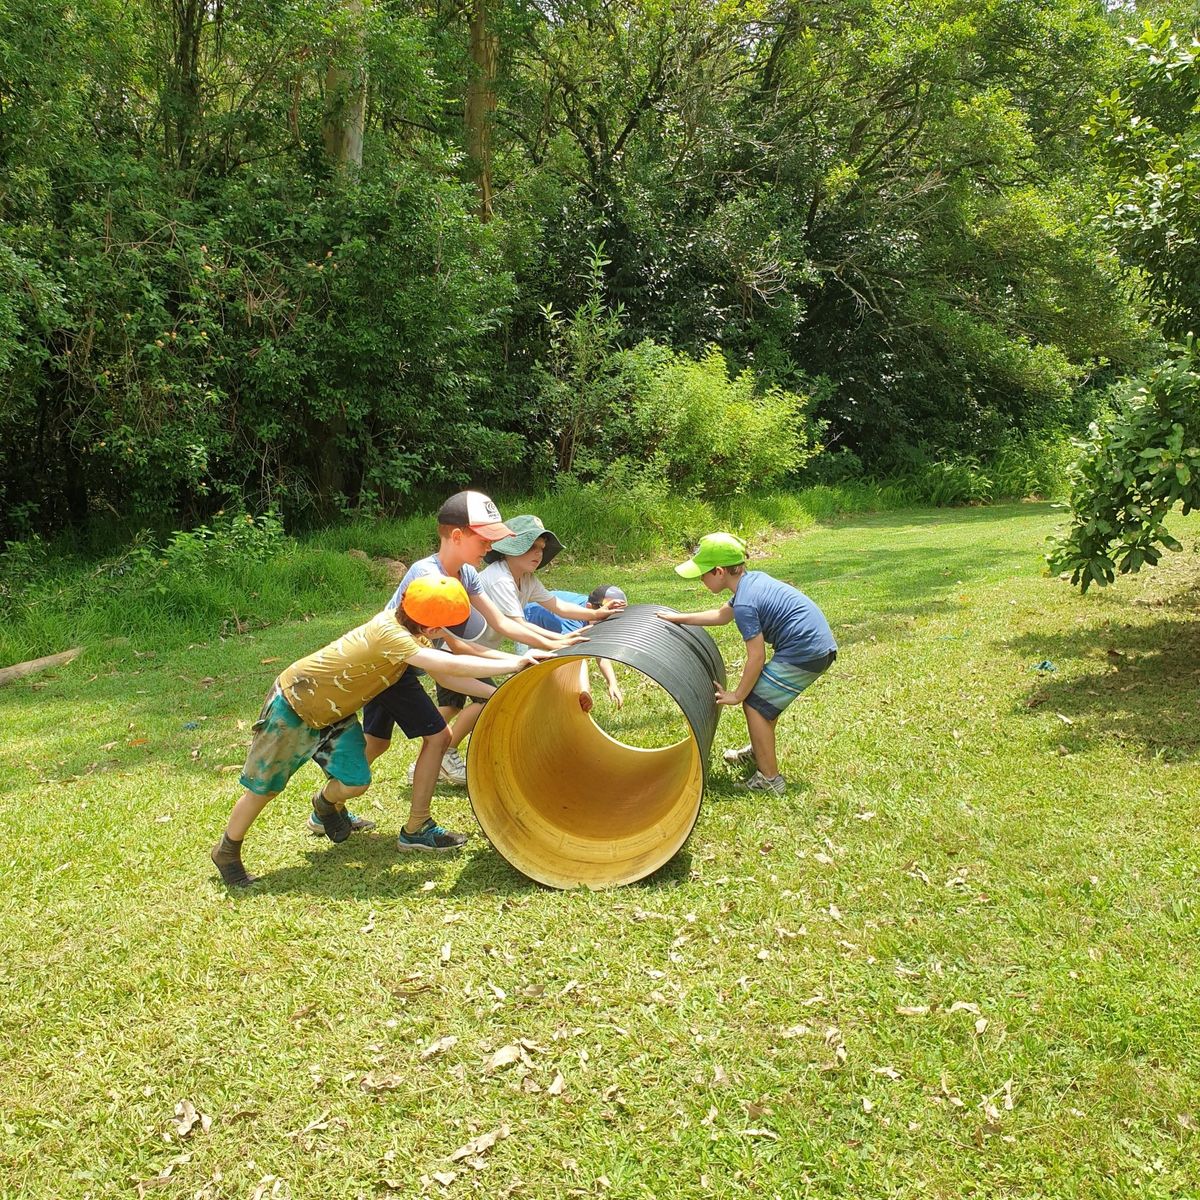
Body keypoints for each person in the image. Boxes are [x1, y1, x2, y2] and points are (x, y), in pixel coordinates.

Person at [210, 576, 550, 887]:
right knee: (263, 789)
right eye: (447, 626)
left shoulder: (412, 634)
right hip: (294, 706)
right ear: (430, 626)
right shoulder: (391, 634)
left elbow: (447, 677)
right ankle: (226, 851)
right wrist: (512, 663)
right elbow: (446, 666)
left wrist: (505, 689)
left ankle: (326, 803)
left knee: (356, 782)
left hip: (333, 715)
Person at [362, 492, 584, 806]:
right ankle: (408, 822)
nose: (491, 548)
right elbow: (445, 665)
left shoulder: (465, 574)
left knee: (377, 743)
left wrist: (549, 646)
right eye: (484, 540)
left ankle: (330, 804)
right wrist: (509, 670)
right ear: (456, 536)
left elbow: (491, 630)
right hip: (387, 667)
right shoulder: (428, 581)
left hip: (408, 667)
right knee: (427, 738)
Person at [658, 532, 836, 795]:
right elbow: (721, 615)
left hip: (806, 652)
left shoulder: (745, 604)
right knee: (763, 703)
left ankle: (770, 780)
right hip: (812, 647)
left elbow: (756, 657)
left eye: (702, 574)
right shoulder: (751, 583)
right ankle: (759, 751)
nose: (700, 579)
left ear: (719, 572)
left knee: (754, 704)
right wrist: (679, 618)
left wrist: (737, 695)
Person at [523, 576, 629, 711]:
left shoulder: (596, 610)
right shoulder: (573, 622)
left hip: (554, 620)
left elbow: (599, 649)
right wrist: (585, 691)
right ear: (590, 608)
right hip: (529, 623)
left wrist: (612, 683)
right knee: (530, 673)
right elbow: (576, 658)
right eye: (606, 619)